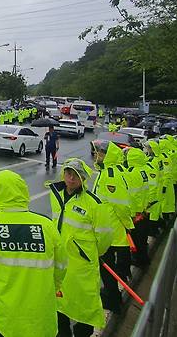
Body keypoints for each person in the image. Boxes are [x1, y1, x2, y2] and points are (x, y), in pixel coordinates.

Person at [0, 170, 67, 337]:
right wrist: (54, 286)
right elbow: (61, 263)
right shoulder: (46, 225)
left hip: (6, 315)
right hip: (41, 313)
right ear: (23, 191)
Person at [49, 158, 114, 337]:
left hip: (81, 266)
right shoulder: (55, 195)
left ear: (83, 178)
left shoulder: (94, 204)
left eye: (76, 175)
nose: (71, 178)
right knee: (59, 305)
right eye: (68, 173)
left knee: (85, 307)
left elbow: (105, 237)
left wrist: (90, 253)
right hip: (59, 263)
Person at [90, 140, 133, 314]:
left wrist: (128, 226)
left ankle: (113, 300)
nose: (96, 155)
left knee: (107, 271)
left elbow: (121, 205)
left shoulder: (111, 175)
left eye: (100, 153)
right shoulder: (105, 173)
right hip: (108, 230)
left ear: (108, 156)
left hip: (110, 232)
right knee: (107, 270)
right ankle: (111, 294)